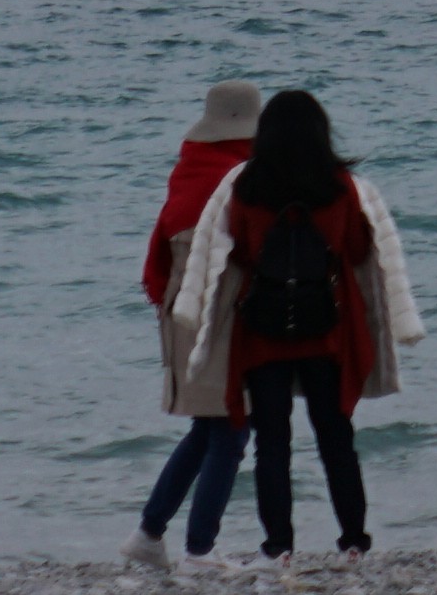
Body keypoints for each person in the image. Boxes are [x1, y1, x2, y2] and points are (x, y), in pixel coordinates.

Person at [212, 86, 408, 562]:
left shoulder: (247, 187)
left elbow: (237, 247)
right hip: (326, 329)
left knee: (272, 444)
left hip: (263, 332)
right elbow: (358, 249)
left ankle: (279, 546)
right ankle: (353, 542)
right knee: (336, 437)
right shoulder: (339, 186)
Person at [126, 75, 266, 559]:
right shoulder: (240, 181)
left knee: (210, 429)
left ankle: (147, 536)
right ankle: (200, 552)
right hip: (217, 319)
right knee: (232, 431)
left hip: (180, 315)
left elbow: (160, 256)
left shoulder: (189, 171)